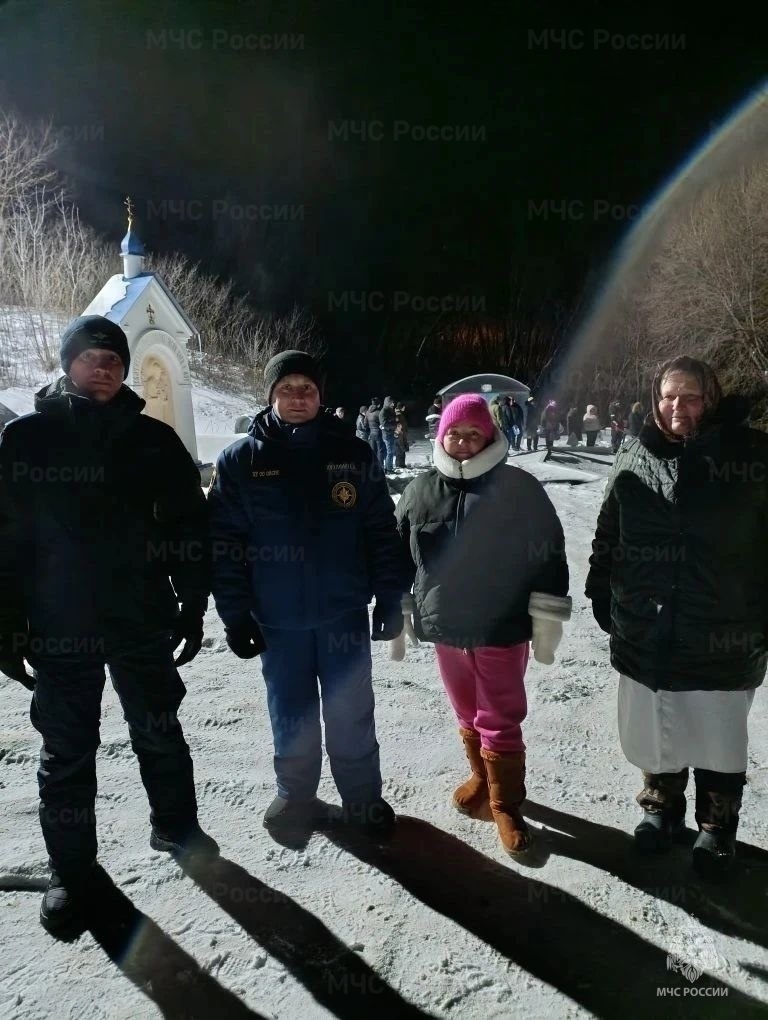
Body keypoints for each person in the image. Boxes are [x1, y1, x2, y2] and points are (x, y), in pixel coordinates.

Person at [0, 315, 217, 936]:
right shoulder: (27, 439)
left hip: (139, 615)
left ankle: (175, 824)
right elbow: (4, 538)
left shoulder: (153, 440)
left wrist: (193, 601)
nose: (103, 367)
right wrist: (6, 623)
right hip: (58, 624)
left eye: (114, 359)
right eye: (90, 356)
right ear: (67, 363)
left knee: (159, 727)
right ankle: (73, 872)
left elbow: (188, 524)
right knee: (67, 751)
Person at [208, 350, 405, 840]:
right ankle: (296, 795)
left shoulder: (353, 455)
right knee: (290, 712)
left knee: (350, 711)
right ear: (270, 395)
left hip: (343, 614)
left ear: (320, 396)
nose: (298, 397)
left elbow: (381, 530)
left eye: (308, 389)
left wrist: (389, 597)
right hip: (277, 620)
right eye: (287, 388)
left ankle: (362, 799)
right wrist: (235, 615)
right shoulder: (240, 461)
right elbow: (224, 545)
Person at [585, 356, 765, 877]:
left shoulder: (751, 454)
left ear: (712, 397)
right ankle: (661, 810)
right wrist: (602, 591)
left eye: (691, 396)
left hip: (723, 628)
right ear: (655, 399)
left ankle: (717, 827)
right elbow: (608, 532)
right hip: (647, 625)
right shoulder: (635, 453)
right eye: (668, 396)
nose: (678, 406)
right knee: (657, 725)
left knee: (717, 733)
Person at [396, 395, 570, 856]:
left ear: (489, 437)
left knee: (499, 715)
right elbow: (399, 555)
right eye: (455, 433)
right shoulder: (419, 490)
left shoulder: (519, 489)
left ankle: (506, 804)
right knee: (465, 710)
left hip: (501, 627)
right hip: (446, 627)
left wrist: (547, 616)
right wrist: (399, 606)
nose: (463, 441)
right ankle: (480, 776)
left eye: (474, 433)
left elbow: (549, 554)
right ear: (441, 436)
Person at [379, 395, 398, 474]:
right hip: (387, 435)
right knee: (390, 452)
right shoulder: (383, 411)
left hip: (391, 433)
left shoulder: (390, 410)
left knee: (391, 452)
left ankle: (389, 468)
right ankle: (388, 469)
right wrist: (394, 425)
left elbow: (393, 420)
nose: (393, 404)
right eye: (392, 403)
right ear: (388, 403)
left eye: (393, 403)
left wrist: (395, 423)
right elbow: (384, 424)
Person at [365, 397, 385, 468]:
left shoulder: (367, 412)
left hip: (371, 434)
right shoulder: (379, 413)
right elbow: (382, 423)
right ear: (378, 405)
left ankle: (373, 467)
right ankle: (380, 467)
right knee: (380, 451)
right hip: (379, 433)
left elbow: (365, 424)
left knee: (373, 451)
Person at [394, 402, 409, 469]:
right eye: (404, 407)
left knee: (401, 450)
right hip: (400, 434)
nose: (404, 408)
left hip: (401, 434)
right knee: (400, 450)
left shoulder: (400, 413)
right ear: (401, 407)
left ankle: (402, 464)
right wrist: (398, 432)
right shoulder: (398, 414)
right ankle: (399, 464)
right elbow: (398, 424)